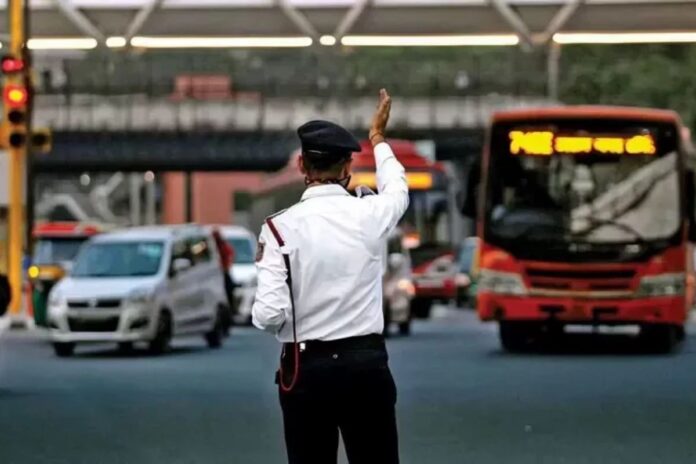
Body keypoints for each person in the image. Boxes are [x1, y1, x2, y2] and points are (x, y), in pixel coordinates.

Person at [252, 89, 408, 464]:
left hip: (306, 370)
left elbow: (268, 315)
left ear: (302, 166)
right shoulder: (370, 215)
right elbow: (397, 188)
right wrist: (378, 138)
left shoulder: (278, 229)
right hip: (366, 366)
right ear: (346, 168)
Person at [211, 227, 236, 333]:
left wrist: (223, 268)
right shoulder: (213, 248)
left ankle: (227, 321)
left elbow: (229, 258)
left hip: (222, 275)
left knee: (227, 299)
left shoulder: (223, 247)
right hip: (216, 275)